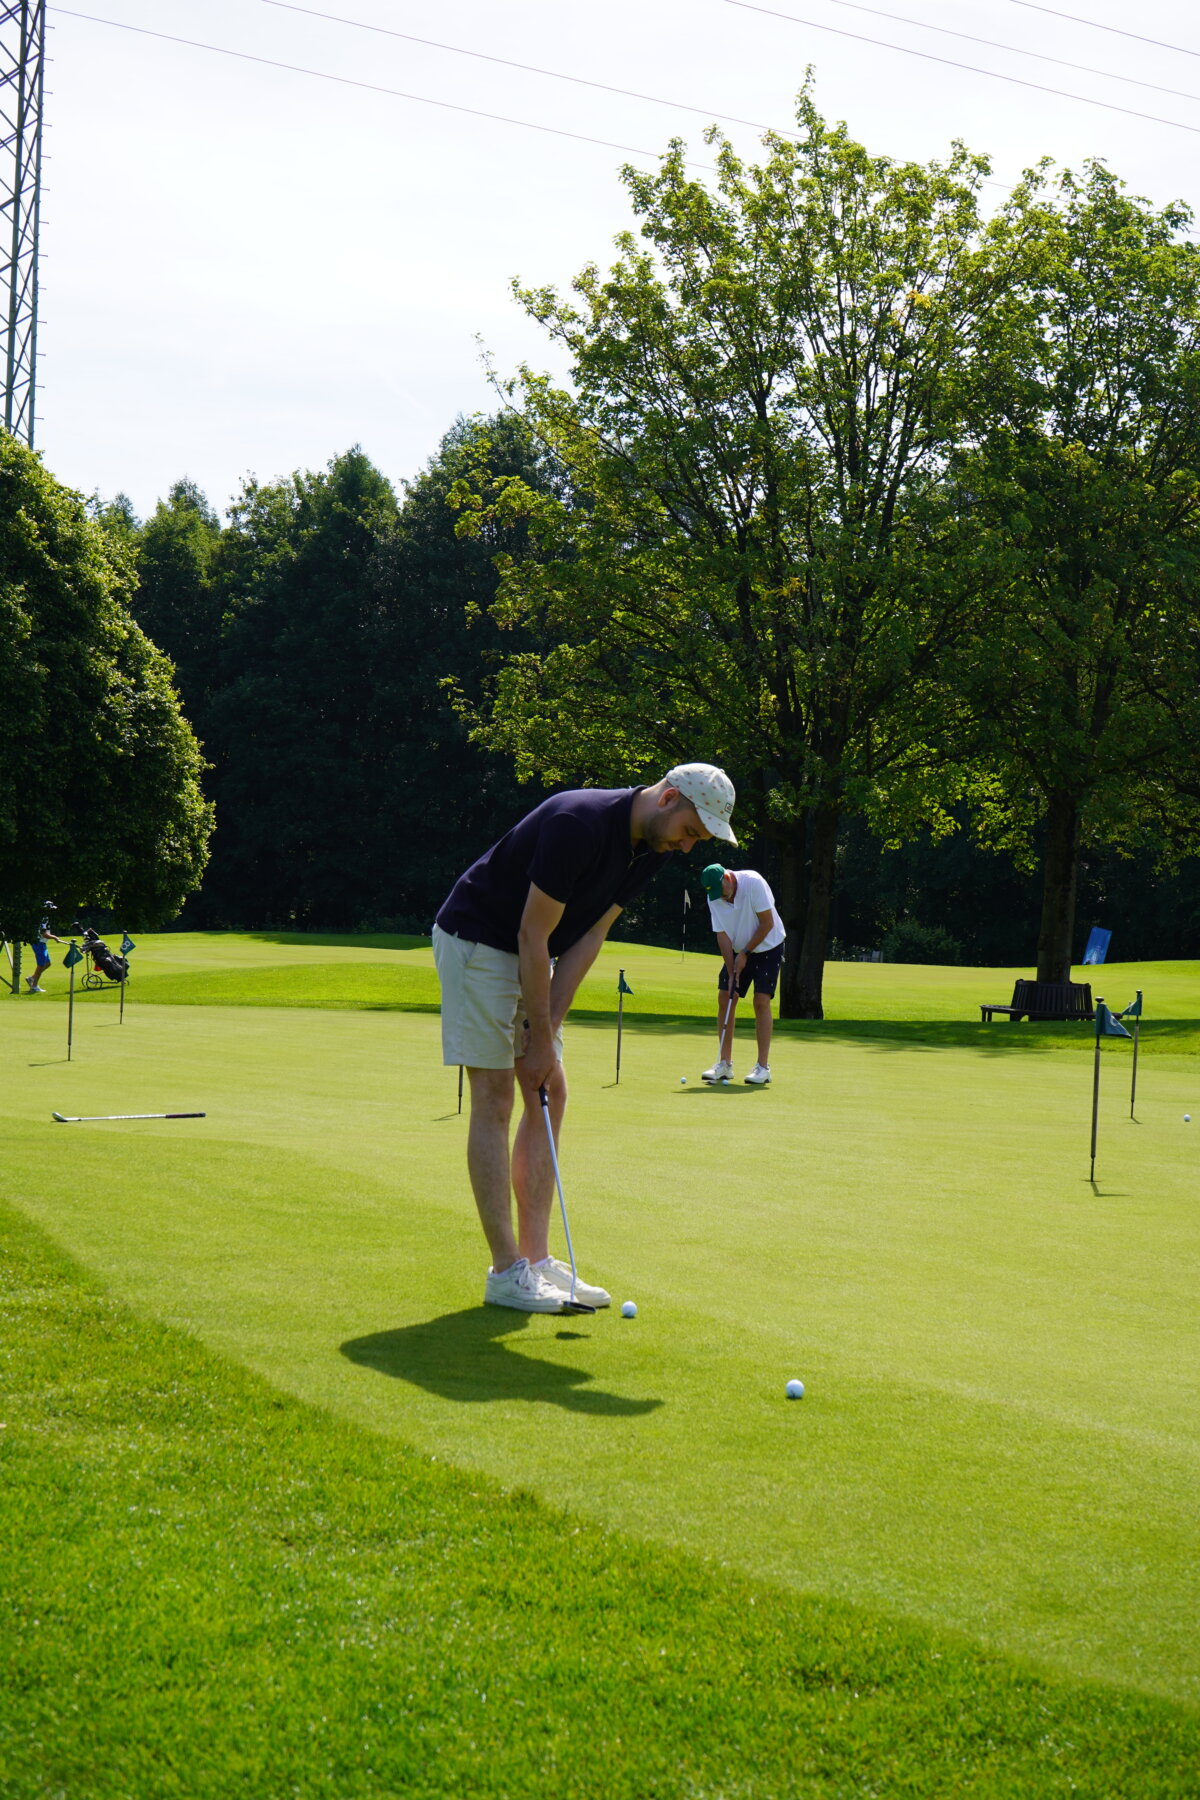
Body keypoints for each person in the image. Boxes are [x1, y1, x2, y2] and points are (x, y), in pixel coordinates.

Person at [434, 763, 737, 1312]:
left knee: (550, 1089)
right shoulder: (579, 822)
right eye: (691, 831)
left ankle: (537, 1259)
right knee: (496, 1097)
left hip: (531, 951)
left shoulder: (654, 848)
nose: (689, 847)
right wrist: (537, 1040)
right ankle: (507, 1272)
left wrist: (546, 1032)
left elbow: (591, 933)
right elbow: (533, 932)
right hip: (478, 940)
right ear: (668, 798)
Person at [699, 863, 786, 1086]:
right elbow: (722, 936)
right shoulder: (714, 896)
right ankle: (724, 1064)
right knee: (726, 996)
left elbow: (767, 923)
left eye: (722, 892)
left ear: (727, 878)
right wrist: (731, 973)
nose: (721, 898)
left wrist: (745, 953)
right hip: (739, 948)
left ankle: (762, 1068)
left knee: (761, 1001)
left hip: (768, 946)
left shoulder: (753, 883)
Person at [26, 912, 61, 993]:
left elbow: (46, 933)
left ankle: (32, 978)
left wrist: (54, 937)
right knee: (41, 965)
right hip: (39, 943)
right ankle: (34, 986)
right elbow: (44, 934)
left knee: (47, 963)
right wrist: (55, 937)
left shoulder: (45, 918)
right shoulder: (43, 919)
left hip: (42, 943)